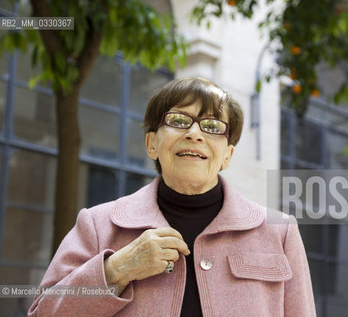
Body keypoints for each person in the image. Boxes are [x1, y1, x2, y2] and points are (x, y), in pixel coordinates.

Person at [28, 77, 315, 316]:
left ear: (227, 155)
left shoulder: (280, 231)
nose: (194, 133)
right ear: (152, 144)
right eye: (178, 120)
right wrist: (116, 270)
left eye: (213, 126)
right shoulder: (97, 224)